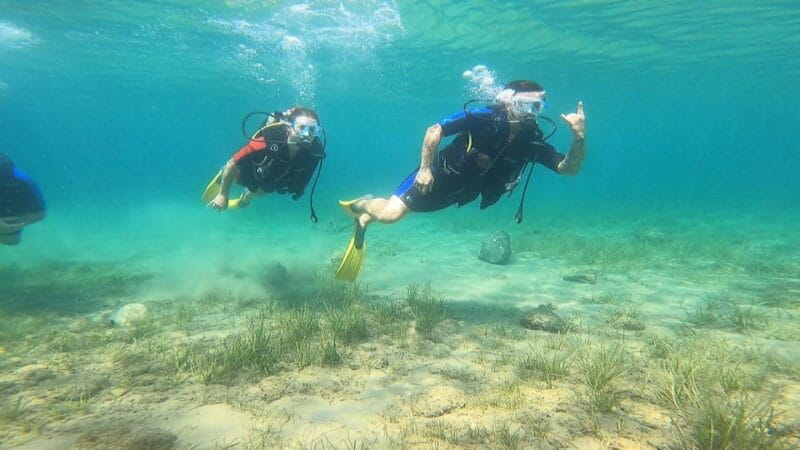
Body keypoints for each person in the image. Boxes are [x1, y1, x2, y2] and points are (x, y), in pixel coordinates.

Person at [335, 80, 586, 281]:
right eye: (524, 105)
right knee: (391, 215)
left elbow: (568, 169)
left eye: (538, 107)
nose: (531, 114)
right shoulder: (482, 117)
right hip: (436, 177)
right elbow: (435, 129)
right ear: (507, 103)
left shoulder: (531, 141)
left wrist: (579, 138)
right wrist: (425, 169)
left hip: (461, 192)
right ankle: (363, 206)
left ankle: (367, 216)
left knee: (398, 214)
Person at [205, 107, 326, 221]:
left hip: (275, 170)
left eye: (312, 130)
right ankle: (223, 174)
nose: (306, 134)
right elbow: (233, 162)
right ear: (289, 127)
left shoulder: (315, 150)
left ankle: (246, 198)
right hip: (252, 167)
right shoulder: (267, 140)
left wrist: (298, 188)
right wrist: (223, 195)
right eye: (301, 127)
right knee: (239, 179)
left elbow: (306, 174)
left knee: (264, 191)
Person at [0, 153, 46, 246]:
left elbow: (40, 214)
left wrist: (10, 224)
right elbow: (40, 214)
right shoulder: (21, 180)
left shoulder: (22, 181)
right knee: (11, 240)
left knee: (11, 241)